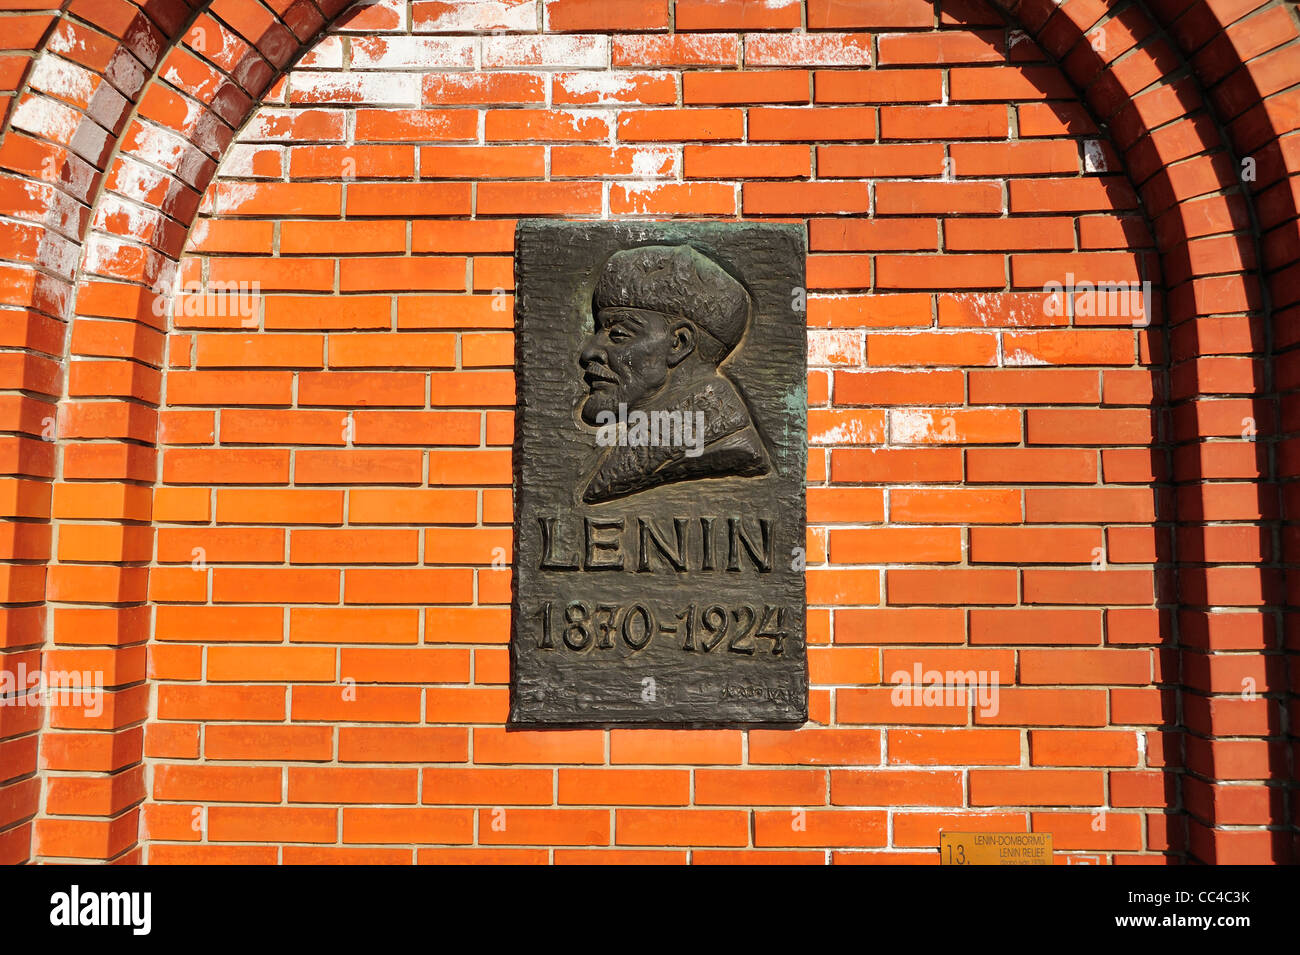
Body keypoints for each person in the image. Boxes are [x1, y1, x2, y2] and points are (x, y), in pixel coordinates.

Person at [577, 243, 769, 504]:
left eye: (618, 334)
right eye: (599, 332)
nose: (590, 352)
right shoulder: (641, 442)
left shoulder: (724, 445)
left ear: (679, 343)